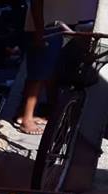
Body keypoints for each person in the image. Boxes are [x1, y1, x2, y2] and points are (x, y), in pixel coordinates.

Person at [16, 0, 98, 134]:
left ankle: (42, 113)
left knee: (51, 72)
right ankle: (27, 118)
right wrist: (39, 30)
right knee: (39, 73)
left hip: (63, 24)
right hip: (47, 26)